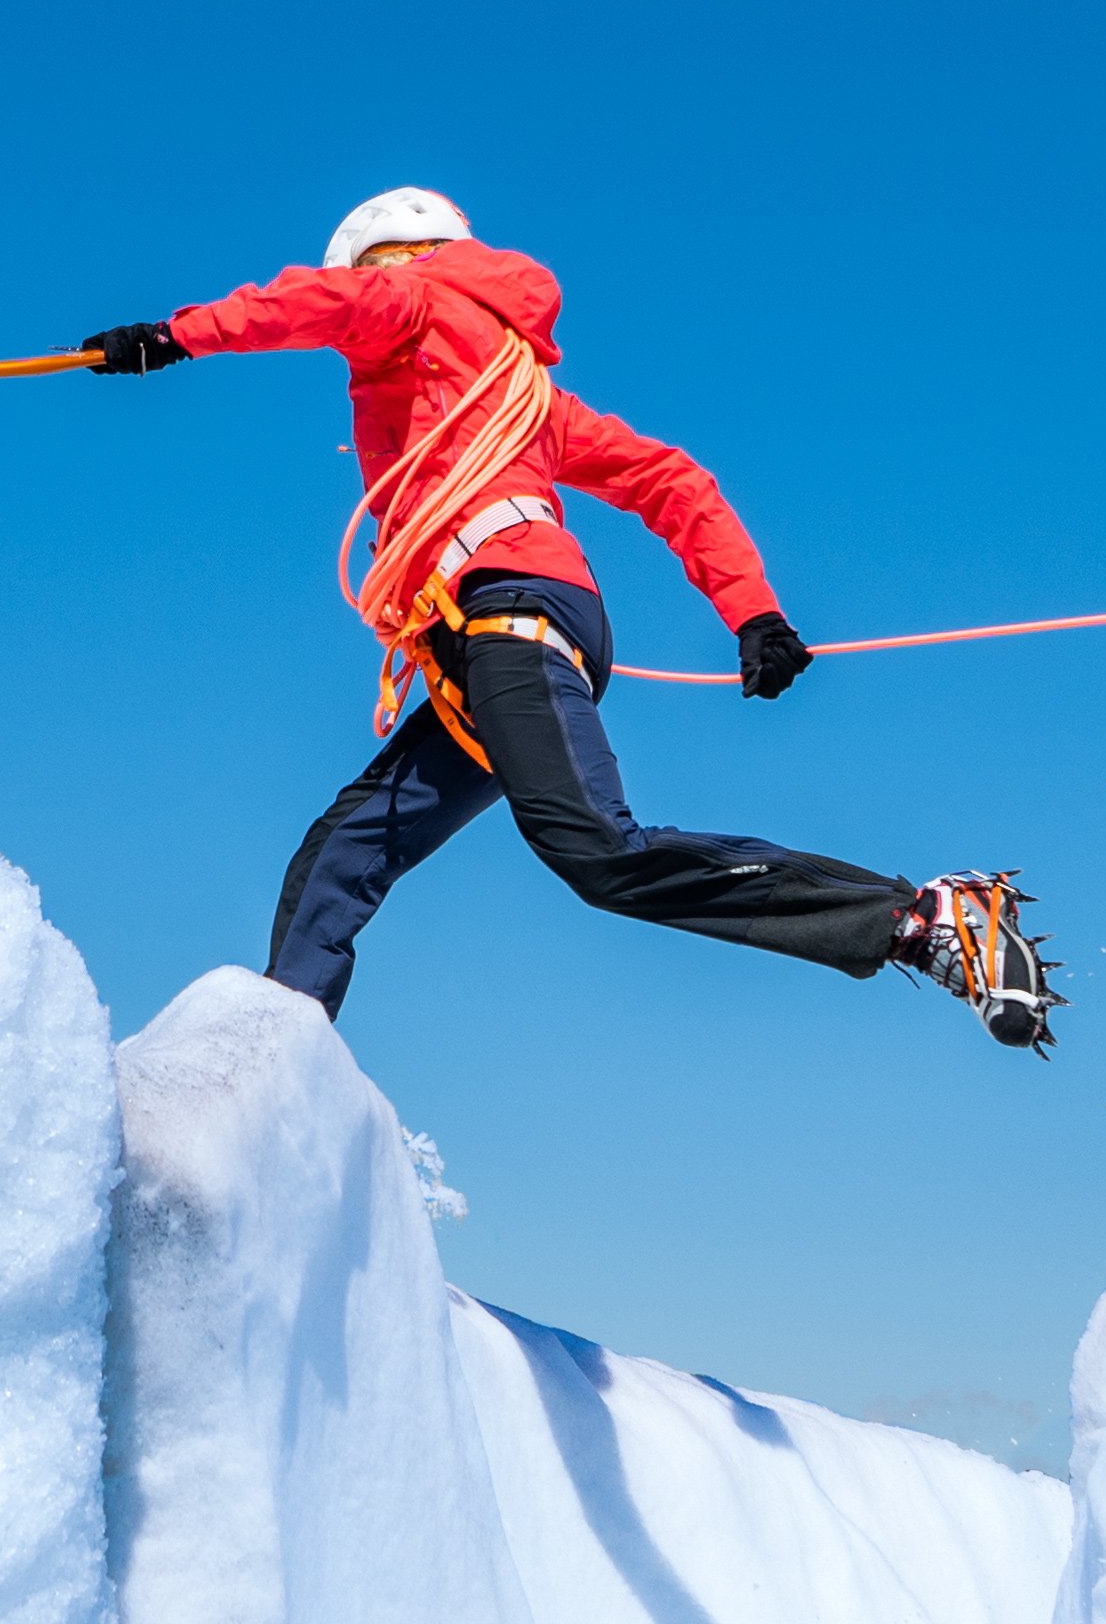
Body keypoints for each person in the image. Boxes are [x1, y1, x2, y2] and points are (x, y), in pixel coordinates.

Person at [87, 188, 1054, 1041]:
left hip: (513, 614)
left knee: (597, 853)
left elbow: (320, 303)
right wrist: (753, 611)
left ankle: (918, 919)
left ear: (390, 256)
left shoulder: (409, 300)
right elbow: (669, 479)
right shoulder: (526, 394)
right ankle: (271, 1057)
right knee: (349, 847)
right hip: (487, 640)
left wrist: (173, 336)